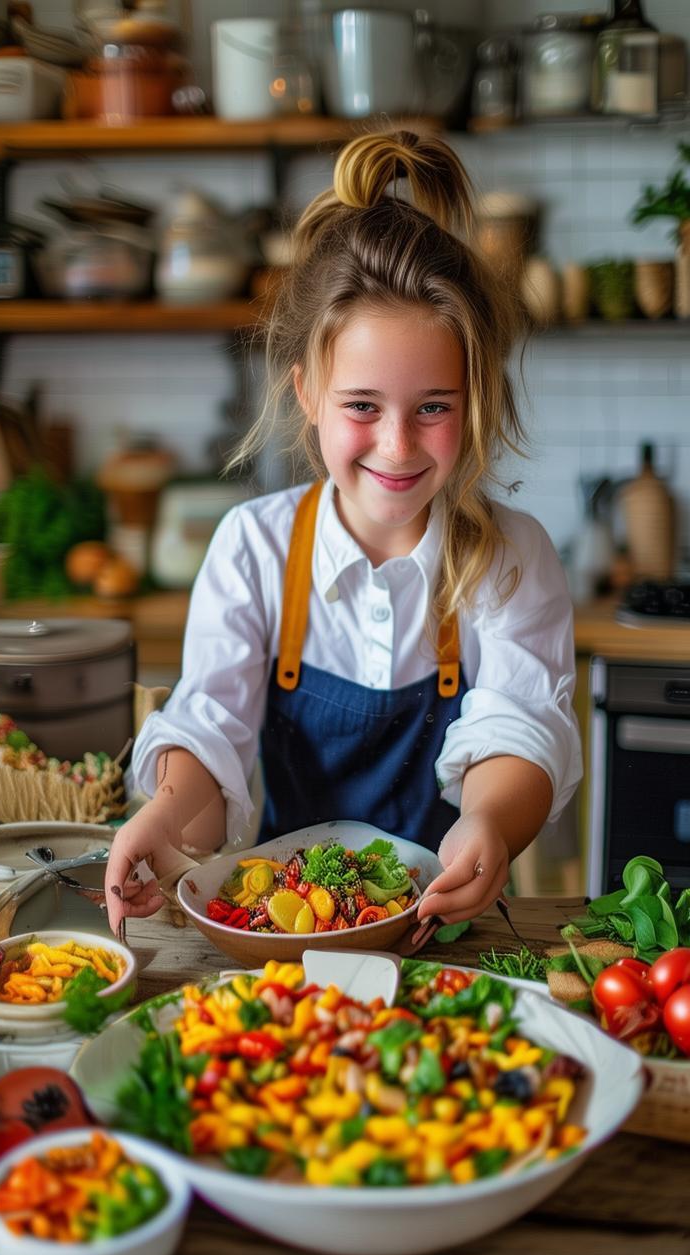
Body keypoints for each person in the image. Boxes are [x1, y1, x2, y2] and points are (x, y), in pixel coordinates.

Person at [104, 130, 581, 939]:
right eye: (363, 405)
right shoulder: (254, 548)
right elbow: (210, 726)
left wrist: (490, 826)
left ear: (474, 402)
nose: (397, 445)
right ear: (308, 395)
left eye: (433, 406)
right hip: (280, 946)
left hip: (446, 938)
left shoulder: (510, 556)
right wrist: (169, 813)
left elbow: (520, 728)